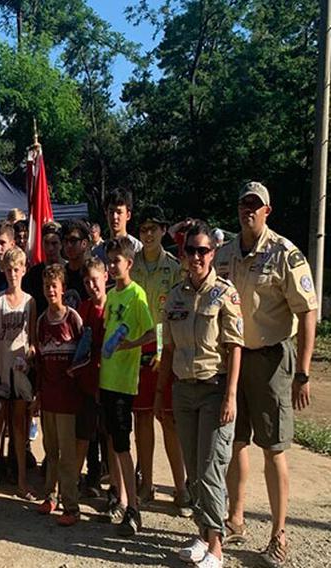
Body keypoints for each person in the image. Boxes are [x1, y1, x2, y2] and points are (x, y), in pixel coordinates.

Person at [217, 182, 318, 566]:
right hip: (234, 360)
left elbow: (308, 311)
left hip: (273, 360)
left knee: (274, 448)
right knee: (235, 442)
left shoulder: (284, 254)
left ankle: (278, 533)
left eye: (255, 206)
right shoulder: (225, 253)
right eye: (244, 204)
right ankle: (236, 517)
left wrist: (303, 371)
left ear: (267, 211)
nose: (249, 210)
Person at [159, 221, 244, 568]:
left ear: (213, 253)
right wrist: (161, 393)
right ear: (182, 254)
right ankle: (202, 533)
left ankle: (217, 546)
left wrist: (231, 396)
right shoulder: (176, 296)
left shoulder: (224, 293)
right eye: (190, 250)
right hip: (183, 390)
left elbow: (234, 346)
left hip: (214, 388)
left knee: (211, 468)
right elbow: (168, 350)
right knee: (194, 468)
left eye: (203, 250)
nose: (196, 256)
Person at [131, 206, 187, 513]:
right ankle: (147, 483)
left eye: (154, 228)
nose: (148, 234)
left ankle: (181, 488)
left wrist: (165, 349)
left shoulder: (175, 268)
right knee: (141, 418)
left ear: (164, 231)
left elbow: (176, 314)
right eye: (143, 229)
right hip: (137, 353)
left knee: (169, 419)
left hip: (164, 353)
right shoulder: (132, 265)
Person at [99, 237, 155, 536]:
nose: (111, 266)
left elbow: (150, 333)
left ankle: (134, 508)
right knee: (113, 442)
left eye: (116, 261)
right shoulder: (111, 296)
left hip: (123, 382)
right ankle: (119, 499)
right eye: (108, 261)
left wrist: (130, 345)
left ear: (129, 264)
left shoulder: (137, 295)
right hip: (106, 378)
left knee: (122, 445)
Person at [34, 264, 83, 527]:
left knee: (67, 454)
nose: (50, 290)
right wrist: (38, 395)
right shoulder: (41, 321)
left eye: (55, 286)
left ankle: (72, 506)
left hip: (68, 399)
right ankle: (50, 496)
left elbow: (84, 354)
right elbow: (39, 362)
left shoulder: (73, 318)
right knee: (50, 451)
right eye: (46, 286)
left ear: (63, 289)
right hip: (48, 396)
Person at [0, 247, 35, 501]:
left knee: (19, 428)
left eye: (18, 269)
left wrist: (30, 359)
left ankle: (22, 481)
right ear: (4, 270)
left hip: (20, 373)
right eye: (9, 269)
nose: (13, 274)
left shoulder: (30, 301)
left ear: (24, 270)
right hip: (1, 370)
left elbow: (33, 339)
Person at [74, 258, 108, 495]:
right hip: (87, 381)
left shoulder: (114, 306)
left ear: (105, 276)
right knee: (87, 434)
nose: (91, 286)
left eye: (94, 280)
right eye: (86, 282)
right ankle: (88, 477)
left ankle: (114, 487)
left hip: (110, 380)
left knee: (109, 435)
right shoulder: (83, 309)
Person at [22, 221, 62, 316]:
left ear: (61, 244)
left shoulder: (69, 270)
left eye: (54, 243)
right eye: (46, 243)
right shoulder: (33, 274)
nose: (50, 248)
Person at [92, 189, 143, 263]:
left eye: (119, 212)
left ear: (128, 215)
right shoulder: (97, 253)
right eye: (111, 212)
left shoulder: (137, 249)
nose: (114, 217)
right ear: (106, 213)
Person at [60, 219, 91, 309]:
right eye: (65, 241)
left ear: (84, 243)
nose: (69, 245)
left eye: (73, 240)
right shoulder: (61, 274)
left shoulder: (92, 273)